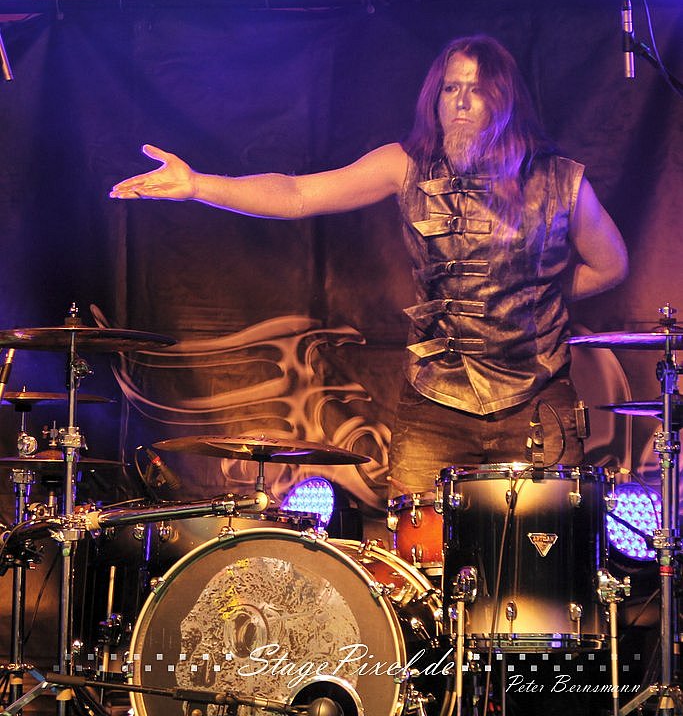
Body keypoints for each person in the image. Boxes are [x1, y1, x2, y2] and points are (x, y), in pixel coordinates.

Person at [110, 34, 628, 496]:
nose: (461, 102)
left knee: (544, 554)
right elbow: (296, 194)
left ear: (505, 99)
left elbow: (610, 265)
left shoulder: (560, 181)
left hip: (536, 403)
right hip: (435, 405)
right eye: (450, 88)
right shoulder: (403, 165)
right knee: (423, 556)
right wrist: (198, 185)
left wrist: (528, 295)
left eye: (477, 89)